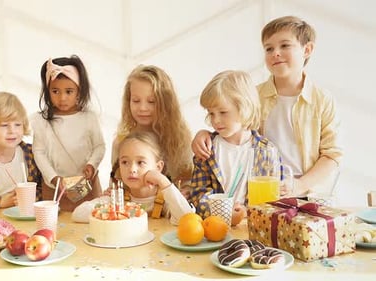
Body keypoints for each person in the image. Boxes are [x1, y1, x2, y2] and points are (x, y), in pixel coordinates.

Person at [191, 16, 342, 197]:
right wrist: (204, 134)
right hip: (262, 192)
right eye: (269, 48)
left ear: (307, 49)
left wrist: (299, 185)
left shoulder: (322, 100)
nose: (275, 53)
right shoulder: (253, 95)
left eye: (284, 46)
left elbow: (332, 155)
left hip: (308, 195)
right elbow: (236, 131)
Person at [189, 70, 280, 224]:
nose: (216, 120)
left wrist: (247, 212)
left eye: (223, 112)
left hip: (254, 228)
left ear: (245, 108)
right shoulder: (207, 149)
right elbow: (198, 195)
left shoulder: (266, 151)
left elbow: (275, 199)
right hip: (214, 229)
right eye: (211, 113)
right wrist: (221, 213)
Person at [31, 55, 105, 212]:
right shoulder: (41, 121)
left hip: (86, 186)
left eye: (69, 91)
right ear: (47, 91)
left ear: (79, 90)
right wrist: (54, 178)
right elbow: (39, 153)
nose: (62, 97)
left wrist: (92, 164)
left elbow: (99, 146)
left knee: (91, 221)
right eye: (55, 91)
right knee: (56, 226)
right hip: (54, 188)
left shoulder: (89, 117)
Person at [73, 131, 193, 225]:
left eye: (140, 162)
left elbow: (187, 218)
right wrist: (109, 208)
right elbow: (78, 214)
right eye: (125, 162)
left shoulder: (167, 199)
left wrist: (163, 181)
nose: (132, 169)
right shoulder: (117, 198)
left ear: (158, 167)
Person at [110, 65, 193, 201]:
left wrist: (187, 190)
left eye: (152, 101)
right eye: (136, 101)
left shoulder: (180, 141)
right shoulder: (121, 141)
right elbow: (115, 183)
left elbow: (190, 182)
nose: (143, 108)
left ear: (166, 103)